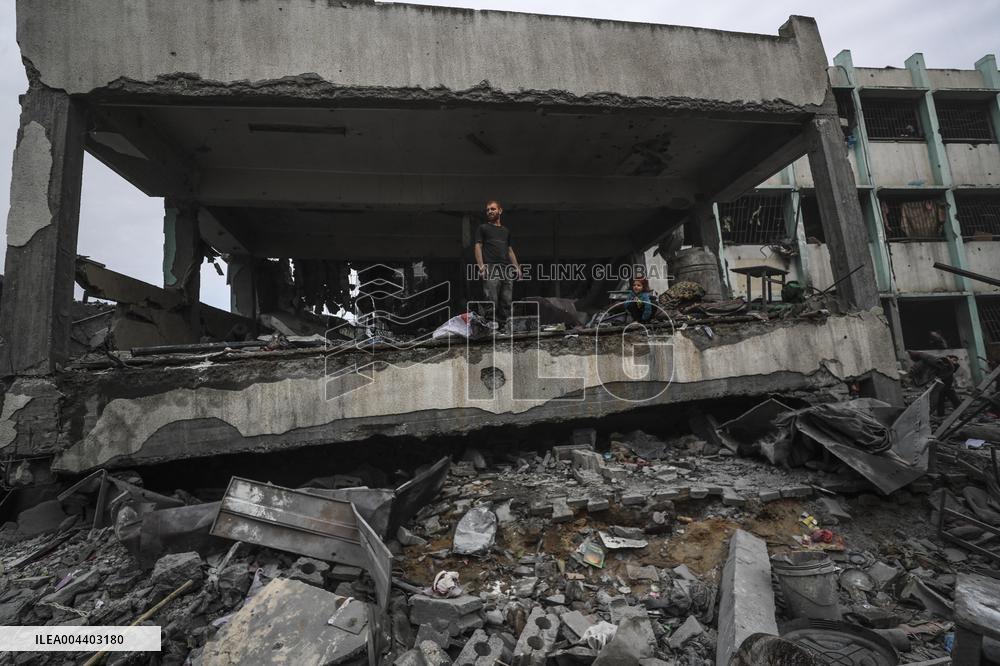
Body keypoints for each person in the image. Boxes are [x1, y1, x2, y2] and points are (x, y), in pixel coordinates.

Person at [474, 200, 521, 331]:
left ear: (500, 211)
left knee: (506, 298)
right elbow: (478, 246)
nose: (490, 211)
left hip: (506, 268)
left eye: (493, 209)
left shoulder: (506, 231)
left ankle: (504, 324)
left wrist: (517, 267)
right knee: (491, 297)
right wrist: (481, 266)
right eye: (488, 209)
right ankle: (490, 324)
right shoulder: (483, 228)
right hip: (491, 267)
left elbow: (510, 250)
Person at [908, 351, 961, 416]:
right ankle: (941, 416)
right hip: (940, 387)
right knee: (940, 403)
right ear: (948, 357)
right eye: (954, 360)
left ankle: (961, 414)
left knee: (955, 401)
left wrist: (950, 362)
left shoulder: (950, 366)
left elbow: (954, 368)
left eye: (956, 361)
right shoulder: (939, 363)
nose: (955, 362)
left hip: (948, 387)